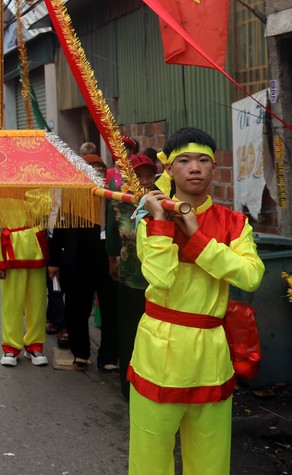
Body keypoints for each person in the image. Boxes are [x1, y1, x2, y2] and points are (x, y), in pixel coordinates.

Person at [127, 128, 264, 475]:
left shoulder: (234, 223)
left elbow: (251, 276)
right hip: (159, 350)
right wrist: (162, 223)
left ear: (214, 168)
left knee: (210, 461)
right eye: (184, 161)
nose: (194, 168)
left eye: (203, 161)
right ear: (169, 169)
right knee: (149, 458)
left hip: (211, 354)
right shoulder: (150, 220)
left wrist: (197, 236)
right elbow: (160, 277)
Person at [48, 154, 118, 373]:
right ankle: (81, 353)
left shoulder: (111, 197)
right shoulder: (73, 197)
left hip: (107, 262)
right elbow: (58, 231)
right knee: (77, 309)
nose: (97, 172)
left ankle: (108, 357)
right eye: (91, 168)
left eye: (100, 169)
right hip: (77, 262)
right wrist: (54, 261)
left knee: (111, 310)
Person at [104, 153, 158, 399]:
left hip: (158, 282)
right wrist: (112, 260)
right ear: (128, 177)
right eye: (139, 175)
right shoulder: (119, 203)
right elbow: (112, 238)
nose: (145, 180)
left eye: (149, 174)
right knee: (129, 336)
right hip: (130, 279)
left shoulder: (164, 202)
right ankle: (129, 389)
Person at [0, 188, 51, 366]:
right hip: (11, 247)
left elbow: (43, 211)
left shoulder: (38, 183)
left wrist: (29, 192)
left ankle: (35, 345)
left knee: (37, 300)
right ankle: (11, 347)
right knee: (12, 301)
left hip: (35, 246)